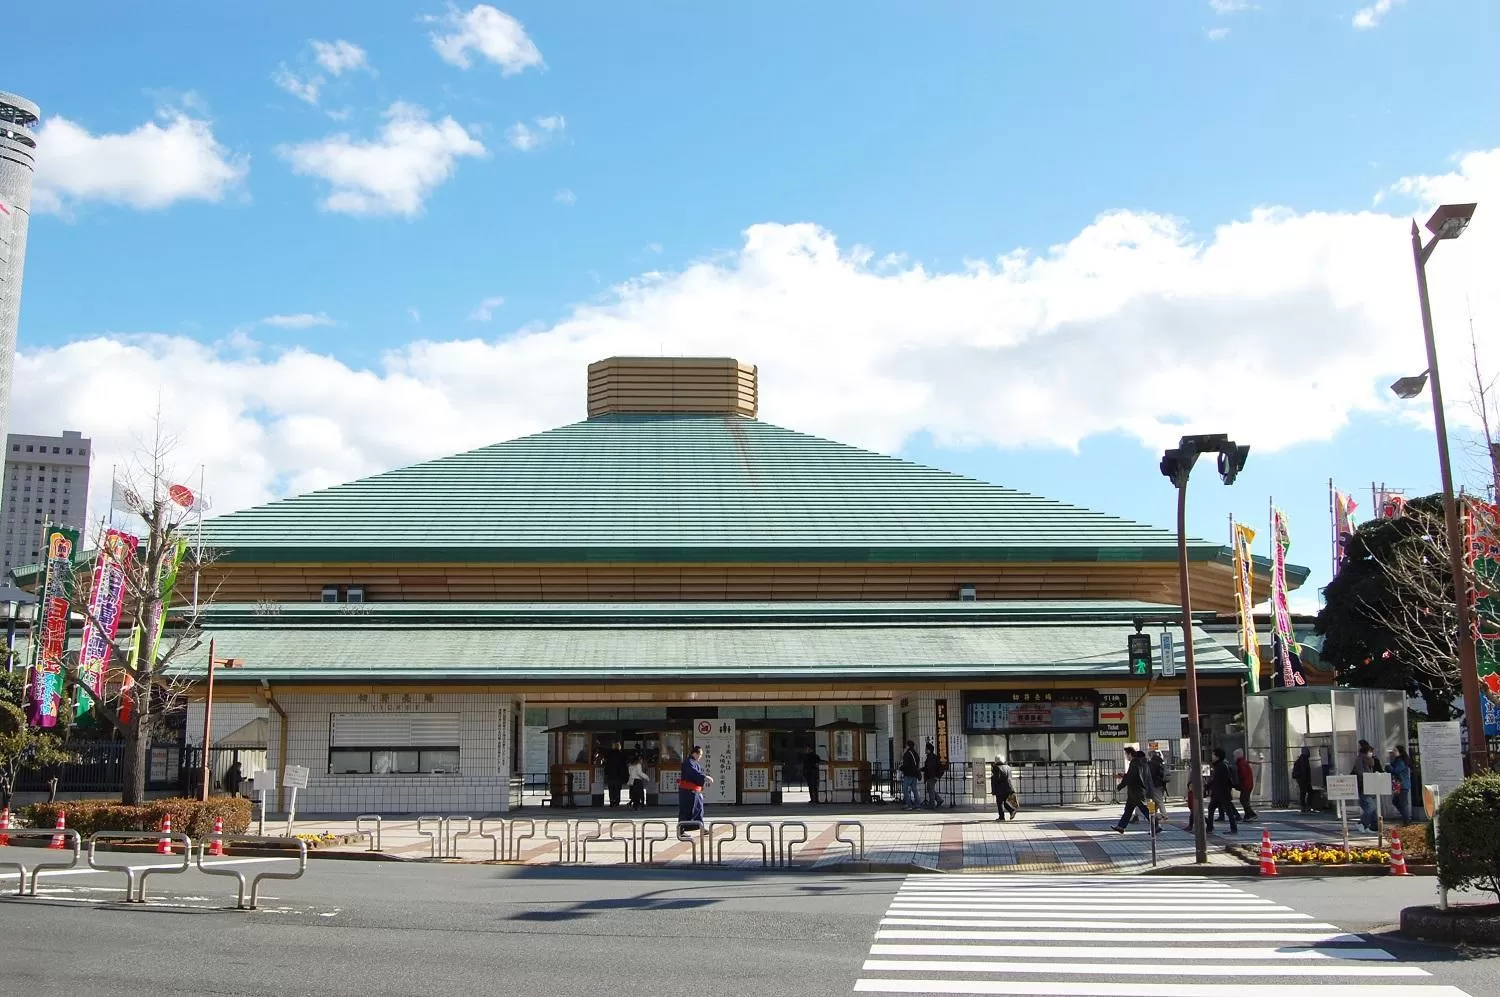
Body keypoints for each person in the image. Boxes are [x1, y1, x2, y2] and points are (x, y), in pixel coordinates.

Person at [1111, 747, 1153, 833]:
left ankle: (1155, 825)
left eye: (1126, 755)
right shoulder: (1143, 763)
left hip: (1136, 791)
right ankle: (1121, 826)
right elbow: (1136, 775)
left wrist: (1120, 786)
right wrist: (1124, 775)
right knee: (1128, 810)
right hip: (1138, 790)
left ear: (1130, 754)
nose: (1126, 757)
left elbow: (1130, 777)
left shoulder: (1134, 763)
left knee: (1144, 809)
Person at [677, 745, 714, 835]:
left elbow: (698, 773)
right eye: (700, 755)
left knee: (698, 809)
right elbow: (693, 774)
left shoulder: (694, 763)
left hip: (695, 791)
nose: (700, 757)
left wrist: (703, 777)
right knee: (687, 810)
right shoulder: (688, 762)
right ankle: (681, 831)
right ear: (694, 753)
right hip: (687, 791)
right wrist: (704, 777)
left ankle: (700, 827)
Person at [1206, 747, 1239, 835]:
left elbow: (1218, 780)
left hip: (1221, 794)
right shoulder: (1219, 765)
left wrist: (1208, 786)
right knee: (1224, 811)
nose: (1212, 756)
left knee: (1224, 811)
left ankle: (1210, 828)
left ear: (1217, 756)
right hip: (1221, 793)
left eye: (1213, 755)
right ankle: (1210, 827)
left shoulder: (1220, 766)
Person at [1352, 739, 1382, 832]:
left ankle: (1372, 826)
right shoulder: (1360, 760)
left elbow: (1378, 769)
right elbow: (1360, 773)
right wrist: (1369, 777)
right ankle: (1362, 823)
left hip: (1372, 787)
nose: (1371, 753)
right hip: (1364, 787)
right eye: (1370, 752)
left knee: (1373, 809)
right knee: (1370, 808)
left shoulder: (1372, 760)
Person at [1388, 745, 1413, 825]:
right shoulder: (1397, 760)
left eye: (1395, 751)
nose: (1393, 752)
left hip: (1402, 785)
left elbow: (1396, 771)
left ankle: (1407, 819)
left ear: (1400, 752)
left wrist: (1388, 766)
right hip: (1398, 785)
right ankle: (1406, 817)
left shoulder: (1401, 761)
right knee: (1396, 801)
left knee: (1402, 803)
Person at [990, 757, 1018, 821]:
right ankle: (1012, 811)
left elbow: (996, 779)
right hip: (1009, 787)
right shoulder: (1008, 767)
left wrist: (994, 790)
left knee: (999, 803)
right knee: (1005, 802)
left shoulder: (996, 768)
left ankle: (1002, 817)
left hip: (1000, 788)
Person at [1233, 748, 1257, 821]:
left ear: (1238, 755)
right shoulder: (1243, 762)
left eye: (1234, 755)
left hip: (1245, 784)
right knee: (1244, 800)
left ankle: (1252, 814)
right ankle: (1247, 815)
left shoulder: (1240, 763)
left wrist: (1238, 782)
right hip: (1248, 784)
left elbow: (1242, 774)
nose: (1234, 757)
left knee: (1243, 800)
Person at [604, 743, 629, 808]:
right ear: (619, 747)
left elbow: (606, 765)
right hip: (619, 775)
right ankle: (617, 802)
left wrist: (606, 772)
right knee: (617, 789)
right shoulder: (621, 755)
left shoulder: (609, 754)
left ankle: (612, 801)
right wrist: (625, 775)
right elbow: (624, 766)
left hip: (610, 775)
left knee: (611, 789)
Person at [1147, 749, 1169, 822]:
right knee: (1155, 800)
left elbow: (1151, 774)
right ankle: (1155, 815)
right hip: (1161, 784)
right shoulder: (1160, 762)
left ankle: (1164, 815)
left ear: (1150, 755)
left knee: (1158, 800)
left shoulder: (1152, 763)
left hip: (1155, 784)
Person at [922, 742, 945, 808]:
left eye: (926, 749)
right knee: (930, 789)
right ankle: (939, 800)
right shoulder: (932, 757)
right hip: (932, 776)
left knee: (931, 790)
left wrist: (937, 776)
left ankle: (932, 804)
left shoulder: (931, 757)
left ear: (929, 750)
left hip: (932, 776)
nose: (925, 750)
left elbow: (929, 768)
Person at [899, 740, 921, 810]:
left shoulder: (907, 754)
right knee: (914, 789)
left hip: (908, 774)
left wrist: (901, 768)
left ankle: (909, 805)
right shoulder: (915, 754)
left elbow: (905, 765)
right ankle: (918, 805)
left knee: (905, 789)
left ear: (908, 746)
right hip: (915, 774)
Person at [1292, 746, 1314, 813]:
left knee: (1303, 792)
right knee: (1308, 792)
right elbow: (1304, 770)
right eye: (1308, 751)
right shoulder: (1304, 759)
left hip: (1300, 778)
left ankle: (1304, 806)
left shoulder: (1301, 758)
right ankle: (1307, 806)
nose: (1309, 752)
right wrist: (1307, 780)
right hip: (1303, 779)